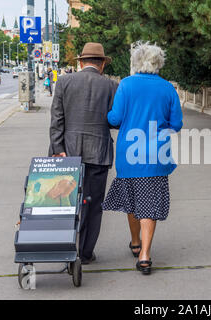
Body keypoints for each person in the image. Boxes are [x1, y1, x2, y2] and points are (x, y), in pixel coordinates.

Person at [102, 42, 183, 275]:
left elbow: (115, 119)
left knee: (132, 200)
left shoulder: (126, 85)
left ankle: (136, 243)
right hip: (157, 154)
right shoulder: (168, 88)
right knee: (149, 203)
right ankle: (145, 255)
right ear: (159, 62)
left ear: (136, 62)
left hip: (129, 152)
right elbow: (176, 124)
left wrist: (107, 114)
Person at [49, 42, 119, 264]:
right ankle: (86, 253)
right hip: (98, 153)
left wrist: (57, 149)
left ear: (80, 62)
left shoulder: (64, 81)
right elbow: (114, 121)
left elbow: (57, 120)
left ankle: (64, 247)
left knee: (65, 202)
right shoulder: (111, 86)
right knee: (92, 203)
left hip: (67, 153)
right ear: (102, 65)